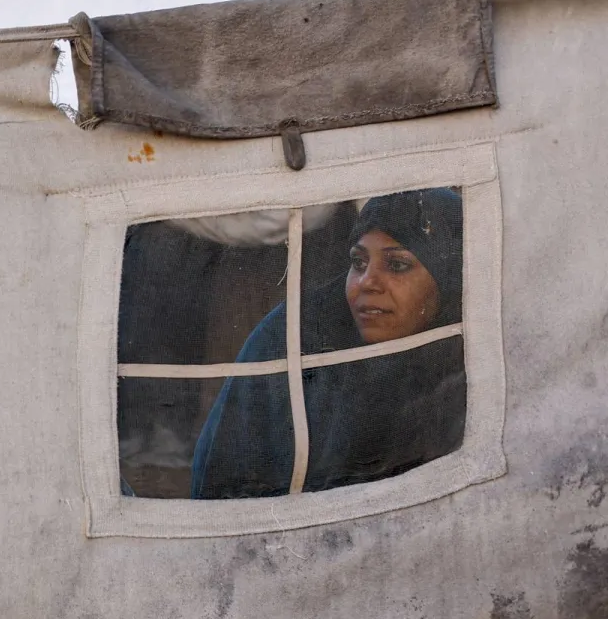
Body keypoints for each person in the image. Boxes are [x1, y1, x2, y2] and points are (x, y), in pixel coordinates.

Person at [191, 188, 466, 499]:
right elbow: (225, 482)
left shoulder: (475, 355)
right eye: (358, 262)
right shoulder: (297, 335)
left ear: (450, 276)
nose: (366, 283)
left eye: (397, 266)